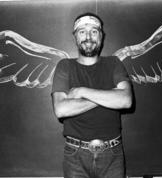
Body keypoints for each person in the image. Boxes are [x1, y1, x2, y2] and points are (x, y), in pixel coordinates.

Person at [51, 12, 133, 178]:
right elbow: (61, 109)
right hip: (75, 156)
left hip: (112, 155)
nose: (88, 37)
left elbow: (125, 100)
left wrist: (81, 91)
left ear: (101, 36)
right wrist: (110, 94)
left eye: (94, 31)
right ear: (75, 37)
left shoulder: (114, 63)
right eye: (82, 31)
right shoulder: (65, 66)